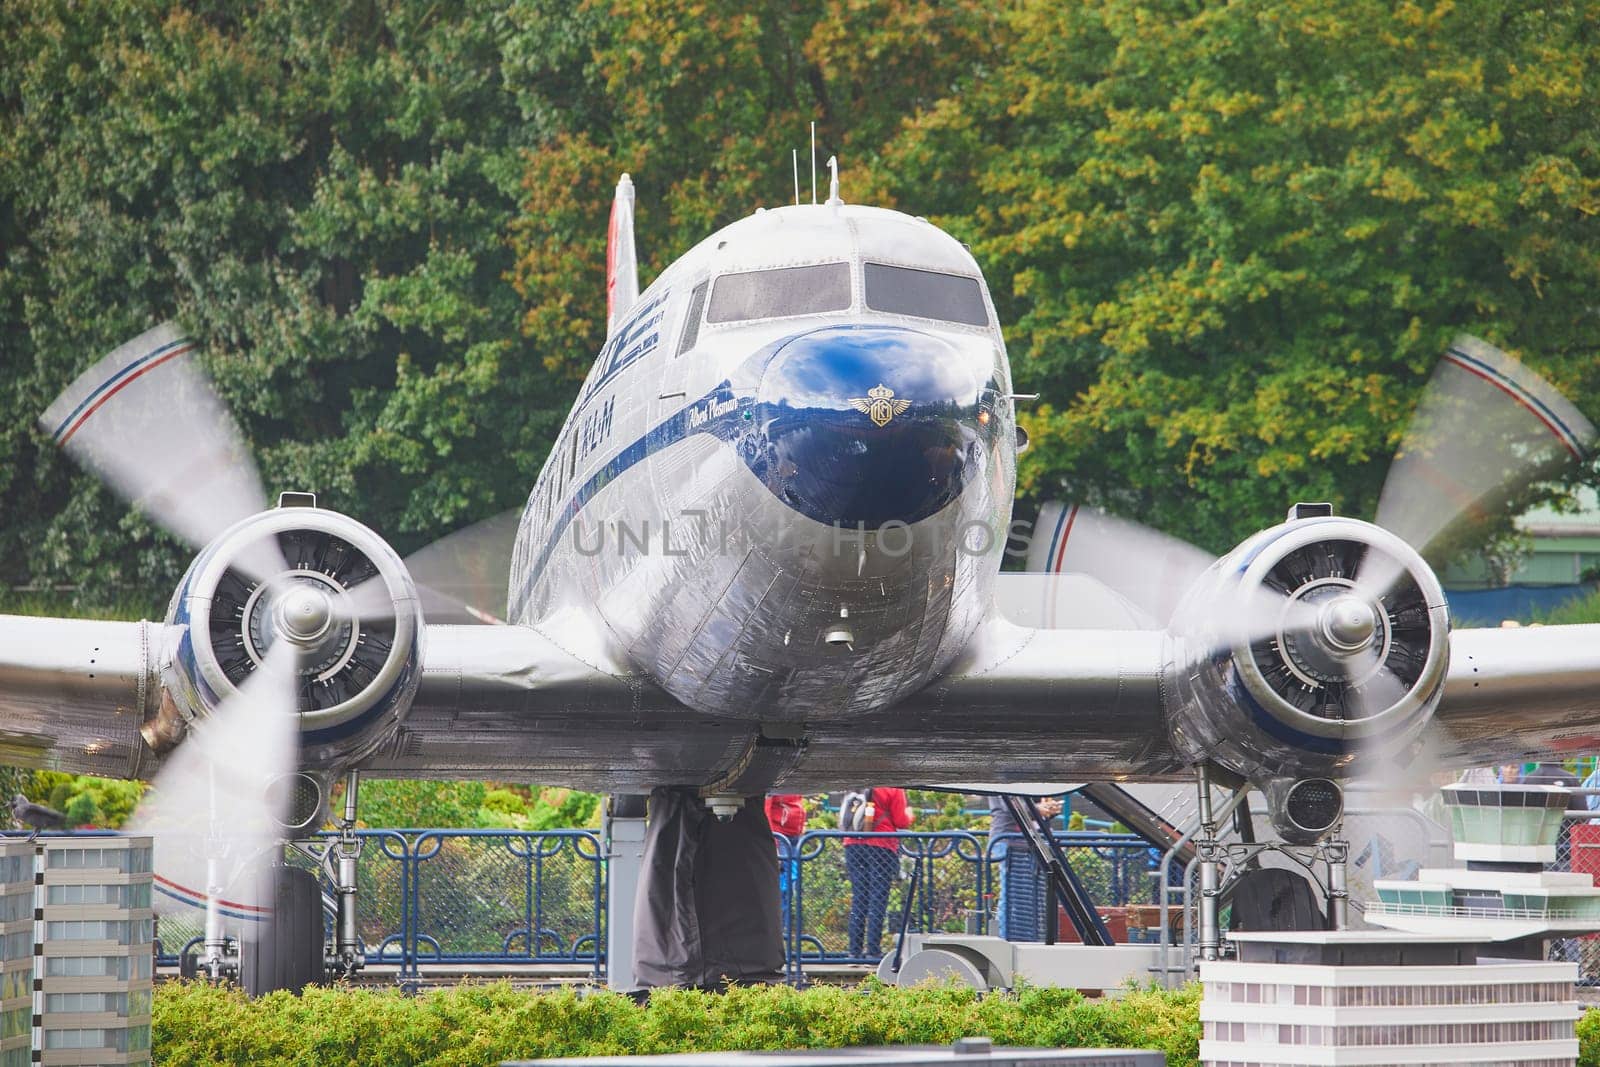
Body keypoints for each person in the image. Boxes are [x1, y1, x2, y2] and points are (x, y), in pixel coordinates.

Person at [841, 787, 913, 960]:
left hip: (853, 843)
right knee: (878, 898)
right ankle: (873, 950)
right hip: (881, 845)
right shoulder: (892, 786)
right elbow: (901, 820)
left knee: (859, 897)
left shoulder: (857, 781)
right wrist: (910, 814)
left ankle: (854, 951)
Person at [987, 793, 1064, 940]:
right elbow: (1010, 806)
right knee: (1011, 895)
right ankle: (1005, 940)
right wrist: (1038, 809)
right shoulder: (1004, 778)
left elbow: (1030, 810)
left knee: (1028, 896)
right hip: (1008, 840)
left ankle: (1026, 939)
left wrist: (1047, 809)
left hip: (1028, 842)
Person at [765, 794, 806, 943]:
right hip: (781, 836)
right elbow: (767, 810)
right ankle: (779, 933)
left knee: (792, 885)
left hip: (794, 836)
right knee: (784, 888)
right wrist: (773, 844)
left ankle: (787, 932)